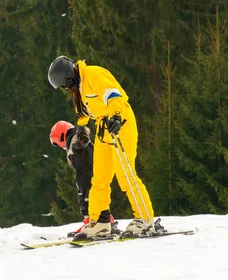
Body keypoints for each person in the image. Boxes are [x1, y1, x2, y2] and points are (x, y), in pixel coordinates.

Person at [48, 56, 162, 238]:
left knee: (125, 174)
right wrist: (80, 129)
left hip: (120, 123)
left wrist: (116, 117)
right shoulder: (79, 90)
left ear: (68, 78)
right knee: (99, 178)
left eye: (65, 85)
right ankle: (100, 222)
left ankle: (145, 219)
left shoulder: (93, 75)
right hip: (103, 128)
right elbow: (84, 113)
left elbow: (114, 95)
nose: (66, 89)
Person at [49, 120, 119, 237]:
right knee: (90, 194)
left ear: (61, 137)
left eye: (59, 144)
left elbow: (83, 136)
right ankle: (98, 220)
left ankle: (95, 221)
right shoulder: (75, 140)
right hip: (90, 172)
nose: (62, 148)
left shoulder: (74, 140)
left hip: (87, 173)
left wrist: (81, 135)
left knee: (88, 194)